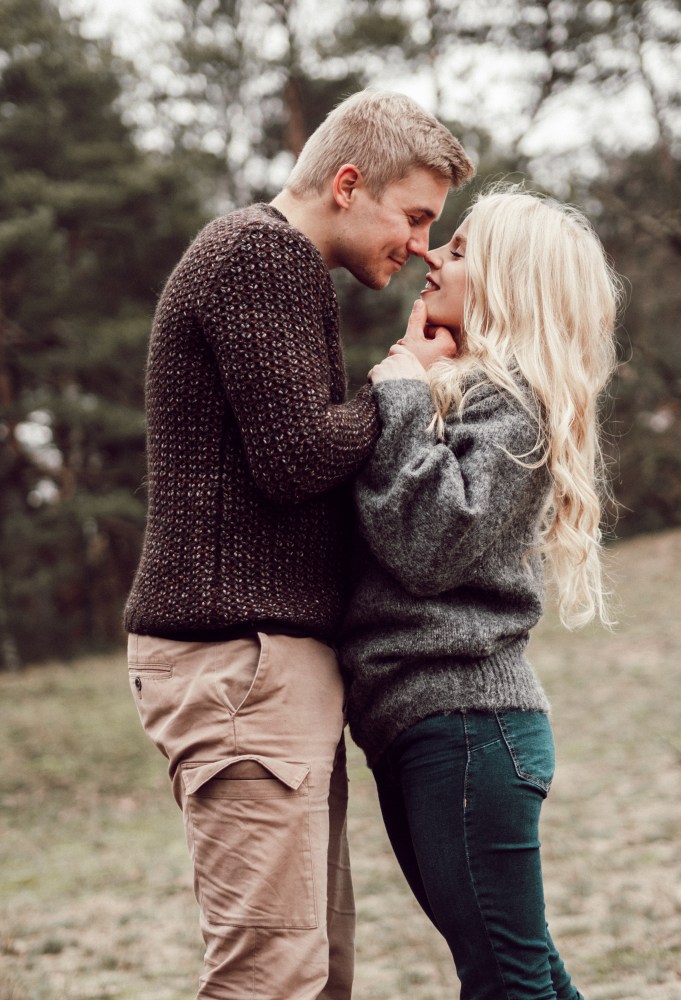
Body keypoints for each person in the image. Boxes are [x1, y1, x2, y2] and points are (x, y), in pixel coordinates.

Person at [123, 89, 474, 1000]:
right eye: (415, 216)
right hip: (240, 664)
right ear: (348, 184)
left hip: (264, 668)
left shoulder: (278, 263)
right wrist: (400, 382)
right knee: (270, 977)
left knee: (316, 973)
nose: (424, 245)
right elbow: (299, 457)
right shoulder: (260, 254)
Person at [339, 185, 621, 1000]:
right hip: (417, 723)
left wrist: (399, 390)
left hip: (466, 724)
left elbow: (428, 544)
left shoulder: (516, 407)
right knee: (520, 973)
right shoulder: (460, 392)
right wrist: (413, 386)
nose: (430, 254)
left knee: (506, 979)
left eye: (458, 250)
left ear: (508, 284)